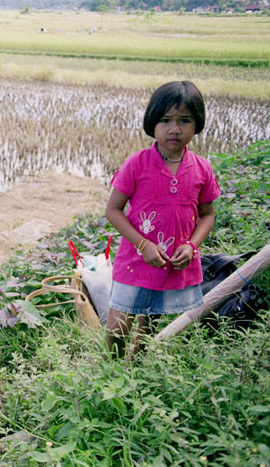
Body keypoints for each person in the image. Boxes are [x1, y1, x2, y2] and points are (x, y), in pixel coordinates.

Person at [104, 80, 220, 359]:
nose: (175, 129)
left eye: (185, 120)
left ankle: (137, 369)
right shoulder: (137, 164)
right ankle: (111, 376)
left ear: (197, 124)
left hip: (171, 262)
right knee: (119, 326)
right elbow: (113, 211)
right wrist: (143, 244)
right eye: (166, 120)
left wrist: (192, 246)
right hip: (135, 261)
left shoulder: (202, 169)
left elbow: (207, 215)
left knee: (149, 322)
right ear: (152, 123)